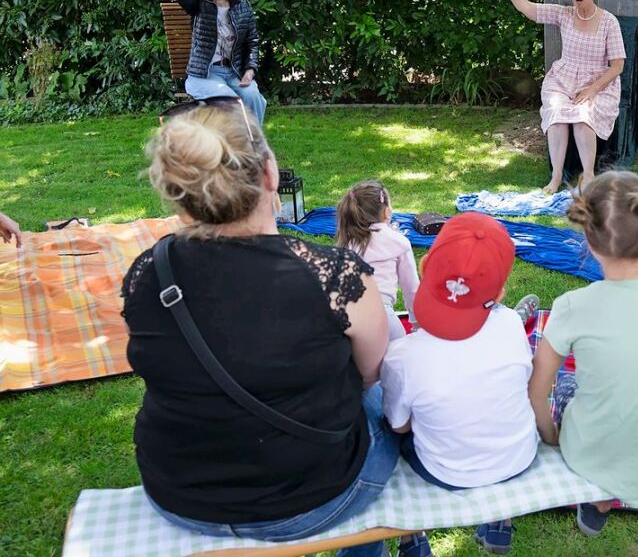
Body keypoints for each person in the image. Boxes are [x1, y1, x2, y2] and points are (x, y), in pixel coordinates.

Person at [122, 98, 395, 557]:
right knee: (392, 399)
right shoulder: (335, 275)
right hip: (316, 496)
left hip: (178, 494)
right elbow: (372, 374)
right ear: (270, 174)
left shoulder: (149, 271)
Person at [528, 171, 638, 536]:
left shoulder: (574, 306)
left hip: (593, 453)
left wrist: (550, 436)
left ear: (590, 241)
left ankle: (599, 500)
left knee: (566, 383)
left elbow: (536, 391)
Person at [380, 212, 538, 557]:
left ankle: (411, 538)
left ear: (426, 269)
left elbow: (400, 426)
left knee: (383, 428)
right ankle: (500, 521)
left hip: (445, 470)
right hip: (516, 457)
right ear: (499, 292)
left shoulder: (402, 356)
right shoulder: (512, 324)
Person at [485, 0, 625, 193]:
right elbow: (526, 8)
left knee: (583, 118)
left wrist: (592, 90)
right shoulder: (564, 14)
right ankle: (556, 176)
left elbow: (617, 66)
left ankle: (589, 176)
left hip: (597, 84)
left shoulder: (608, 22)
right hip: (563, 79)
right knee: (558, 116)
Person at [172, 0, 268, 125]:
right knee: (229, 101)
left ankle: (253, 146)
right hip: (205, 75)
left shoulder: (243, 7)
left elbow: (252, 43)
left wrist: (250, 70)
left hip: (234, 73)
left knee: (253, 97)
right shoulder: (198, 5)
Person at [336, 180, 419, 340]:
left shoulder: (348, 242)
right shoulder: (399, 242)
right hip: (381, 314)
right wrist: (416, 322)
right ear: (387, 212)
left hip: (346, 315)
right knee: (399, 351)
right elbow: (411, 288)